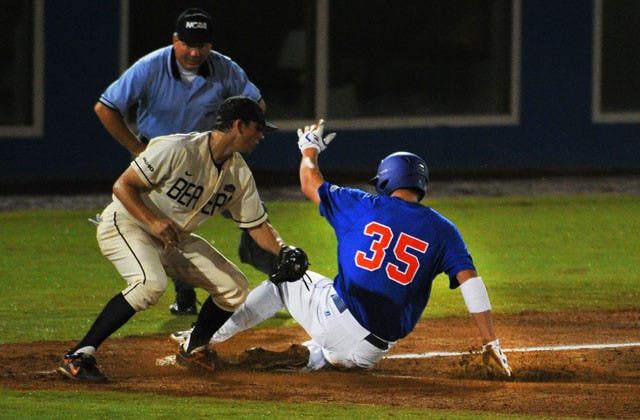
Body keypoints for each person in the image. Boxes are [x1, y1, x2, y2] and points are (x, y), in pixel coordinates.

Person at [169, 120, 512, 375]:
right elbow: (472, 284)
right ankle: (317, 357)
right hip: (370, 354)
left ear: (387, 180)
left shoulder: (363, 205)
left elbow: (309, 181)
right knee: (329, 328)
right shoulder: (444, 230)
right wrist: (490, 341)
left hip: (336, 321)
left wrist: (309, 148)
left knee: (286, 278)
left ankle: (200, 337)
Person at [57, 96, 304, 382]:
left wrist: (284, 251)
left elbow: (256, 224)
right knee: (150, 284)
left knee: (234, 286)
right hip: (128, 224)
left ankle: (193, 349)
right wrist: (152, 222)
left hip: (173, 239)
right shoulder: (177, 148)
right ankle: (78, 356)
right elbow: (123, 186)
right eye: (258, 128)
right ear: (239, 125)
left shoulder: (239, 173)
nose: (261, 136)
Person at [94, 7, 274, 316]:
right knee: (167, 218)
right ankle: (184, 292)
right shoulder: (149, 67)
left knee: (254, 216)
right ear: (174, 40)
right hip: (162, 164)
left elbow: (257, 106)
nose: (194, 52)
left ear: (210, 45)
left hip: (209, 159)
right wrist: (137, 149)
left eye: (201, 45)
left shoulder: (226, 69)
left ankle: (278, 276)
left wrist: (234, 135)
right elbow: (105, 107)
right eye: (187, 43)